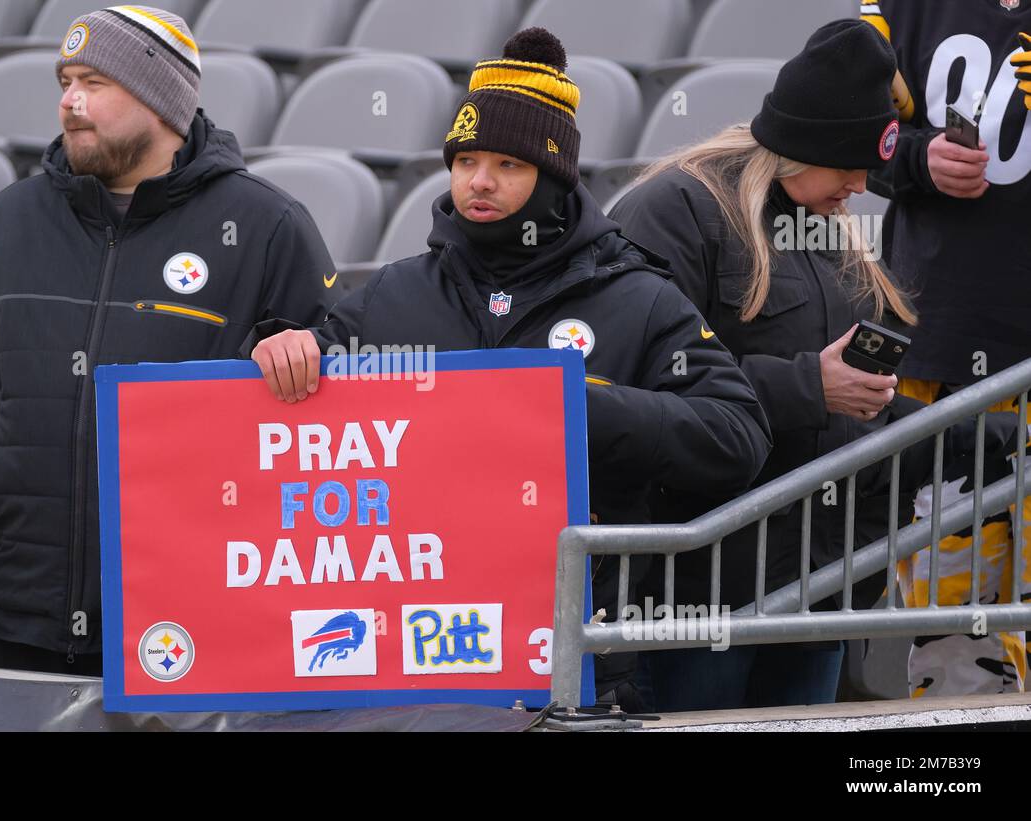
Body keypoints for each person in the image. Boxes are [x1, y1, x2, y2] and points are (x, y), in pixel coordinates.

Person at [248, 27, 774, 703]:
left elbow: (738, 435)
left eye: (508, 164)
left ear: (554, 177)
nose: (480, 181)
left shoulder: (636, 295)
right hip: (414, 656)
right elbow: (288, 407)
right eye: (465, 160)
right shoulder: (393, 293)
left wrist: (583, 407)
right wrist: (278, 344)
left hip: (574, 660)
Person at [0, 5, 335, 674]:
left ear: (161, 101)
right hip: (23, 617)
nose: (69, 101)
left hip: (191, 622)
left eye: (94, 82)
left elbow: (342, 401)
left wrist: (306, 351)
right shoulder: (12, 219)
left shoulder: (266, 225)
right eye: (64, 81)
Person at [610, 19, 1023, 710]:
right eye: (851, 165)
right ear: (809, 146)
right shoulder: (679, 209)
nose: (862, 186)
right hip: (703, 602)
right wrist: (806, 385)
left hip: (818, 595)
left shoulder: (831, 234)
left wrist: (985, 439)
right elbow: (645, 388)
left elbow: (859, 415)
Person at [862, 0, 1031, 697]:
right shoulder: (901, 5)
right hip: (940, 350)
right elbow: (844, 136)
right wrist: (916, 159)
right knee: (953, 639)